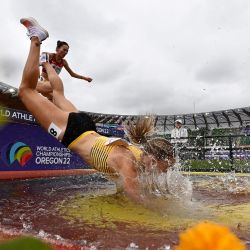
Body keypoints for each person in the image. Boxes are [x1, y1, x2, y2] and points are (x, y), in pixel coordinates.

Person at [18, 17, 175, 202]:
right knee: (25, 90)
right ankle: (36, 38)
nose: (163, 173)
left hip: (85, 127)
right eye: (164, 168)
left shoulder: (141, 155)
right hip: (73, 132)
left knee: (57, 94)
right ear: (153, 158)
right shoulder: (129, 163)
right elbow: (140, 204)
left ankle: (44, 64)